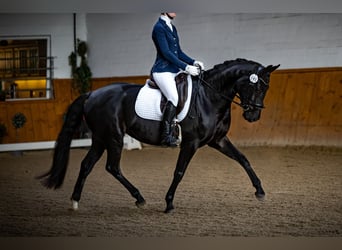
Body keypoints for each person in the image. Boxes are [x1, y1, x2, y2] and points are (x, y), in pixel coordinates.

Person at [150, 13, 204, 147]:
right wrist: (186, 67)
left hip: (174, 70)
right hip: (162, 70)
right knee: (173, 97)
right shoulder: (159, 27)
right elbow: (166, 53)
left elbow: (178, 52)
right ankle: (166, 136)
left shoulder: (172, 28)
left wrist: (193, 61)